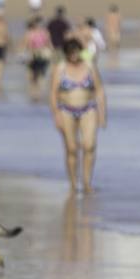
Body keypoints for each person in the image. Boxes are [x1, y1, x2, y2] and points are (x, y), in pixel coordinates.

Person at [49, 38, 106, 194]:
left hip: (88, 109)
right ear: (66, 54)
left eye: (76, 52)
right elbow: (53, 93)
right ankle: (74, 183)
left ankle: (87, 182)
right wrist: (56, 115)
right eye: (70, 53)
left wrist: (102, 114)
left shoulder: (89, 67)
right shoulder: (60, 69)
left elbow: (99, 90)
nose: (74, 56)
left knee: (89, 145)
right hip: (66, 110)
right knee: (72, 148)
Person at [23, 16, 53, 101]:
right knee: (34, 74)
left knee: (39, 74)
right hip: (34, 55)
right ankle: (35, 92)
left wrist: (50, 53)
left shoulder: (42, 33)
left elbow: (49, 44)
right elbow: (26, 44)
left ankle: (37, 92)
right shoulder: (32, 33)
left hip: (41, 55)